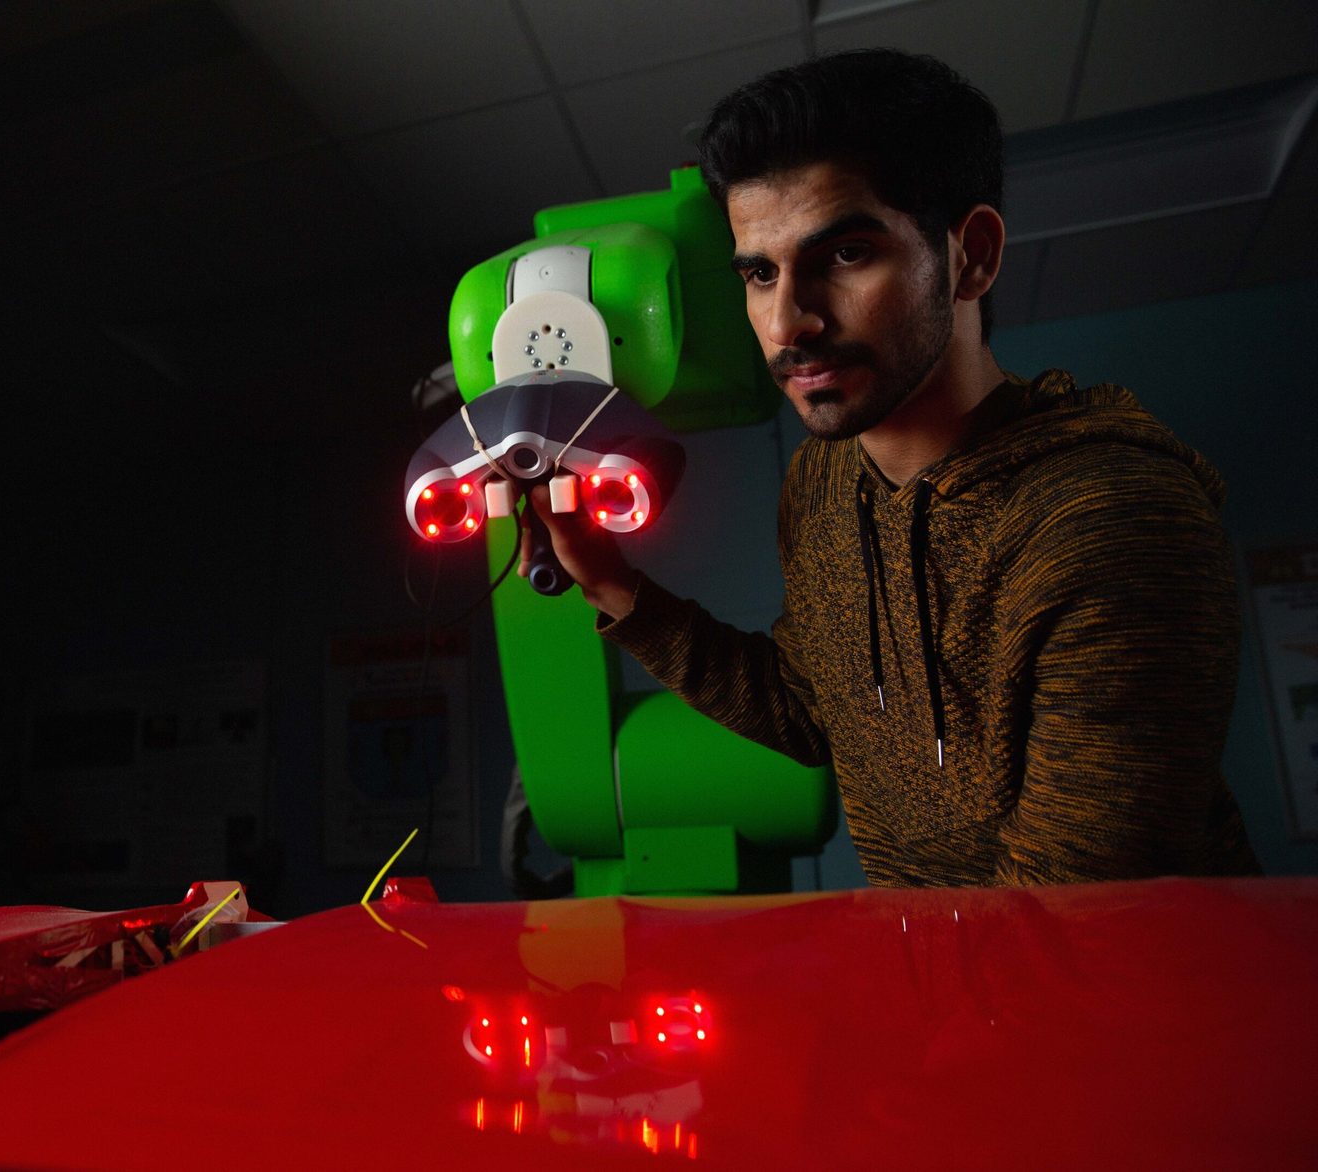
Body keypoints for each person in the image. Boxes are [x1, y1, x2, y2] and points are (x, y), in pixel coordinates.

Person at [524, 49, 1258, 886]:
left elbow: (1071, 917)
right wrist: (611, 582)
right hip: (951, 967)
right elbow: (812, 710)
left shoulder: (1109, 519)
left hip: (1114, 973)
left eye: (844, 255)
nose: (787, 322)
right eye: (760, 273)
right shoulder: (824, 483)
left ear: (972, 256)